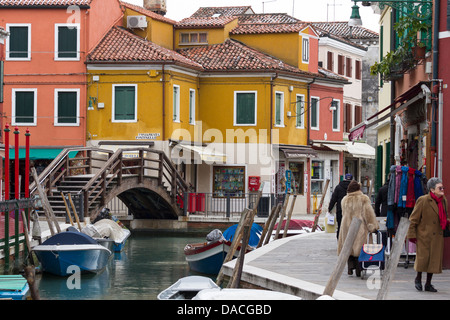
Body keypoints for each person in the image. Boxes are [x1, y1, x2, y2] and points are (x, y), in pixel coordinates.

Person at [407, 177, 450, 292]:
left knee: (433, 260)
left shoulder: (443, 200)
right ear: (432, 189)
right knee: (423, 259)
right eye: (439, 188)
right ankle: (418, 279)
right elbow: (413, 219)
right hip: (424, 235)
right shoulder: (423, 200)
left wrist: (447, 222)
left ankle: (428, 283)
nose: (442, 189)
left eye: (442, 187)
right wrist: (411, 235)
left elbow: (445, 216)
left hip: (437, 236)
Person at [338, 180, 379, 277]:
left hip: (346, 226)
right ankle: (358, 268)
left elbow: (343, 213)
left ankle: (350, 267)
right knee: (359, 248)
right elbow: (368, 214)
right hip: (359, 227)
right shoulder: (363, 199)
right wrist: (373, 226)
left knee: (348, 246)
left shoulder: (344, 199)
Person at [328, 173, 353, 239]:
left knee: (340, 226)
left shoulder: (338, 187)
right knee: (350, 227)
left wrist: (330, 208)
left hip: (340, 210)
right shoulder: (354, 188)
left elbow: (333, 199)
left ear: (344, 178)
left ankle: (340, 241)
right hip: (351, 210)